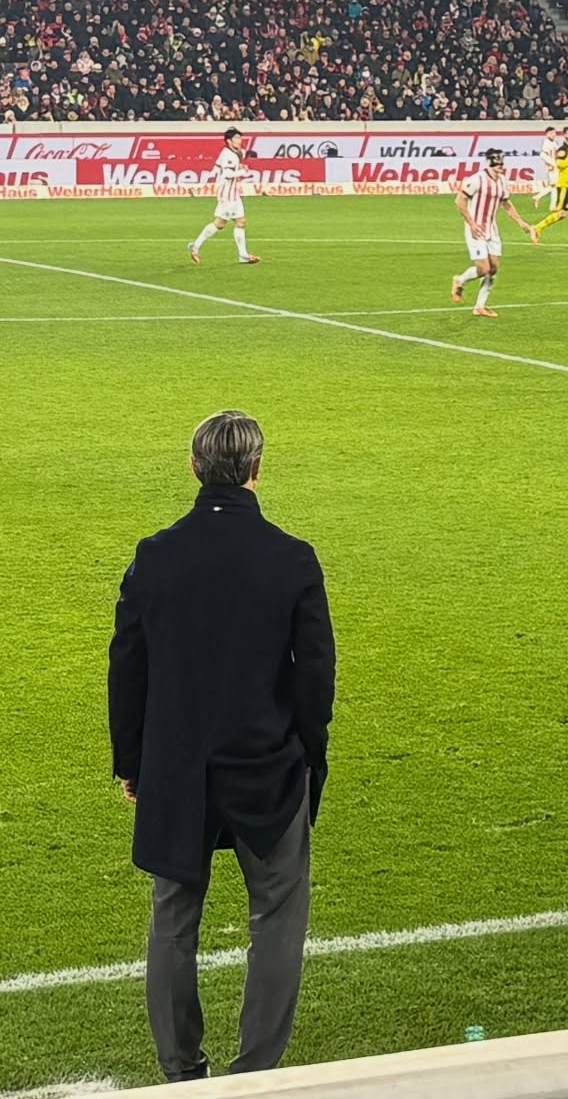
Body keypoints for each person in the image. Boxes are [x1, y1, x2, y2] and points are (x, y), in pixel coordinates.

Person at [108, 411, 335, 1083]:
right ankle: (255, 1078)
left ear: (194, 466)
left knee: (174, 918)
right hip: (267, 766)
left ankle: (183, 1075)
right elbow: (315, 677)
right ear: (258, 470)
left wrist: (131, 759)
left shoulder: (156, 555)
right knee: (278, 914)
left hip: (174, 767)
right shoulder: (292, 559)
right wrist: (308, 757)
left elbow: (129, 664)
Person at [451, 148, 539, 317]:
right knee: (483, 268)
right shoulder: (477, 179)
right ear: (490, 163)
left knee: (494, 269)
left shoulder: (502, 181)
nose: (501, 166)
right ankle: (459, 280)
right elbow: (459, 200)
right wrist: (471, 222)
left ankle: (480, 306)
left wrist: (522, 223)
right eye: (498, 163)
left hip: (492, 230)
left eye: (502, 163)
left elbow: (506, 203)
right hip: (476, 229)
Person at [189, 127, 261, 265]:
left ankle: (243, 255)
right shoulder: (229, 155)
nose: (240, 141)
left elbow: (217, 167)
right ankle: (196, 246)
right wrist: (242, 172)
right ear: (229, 141)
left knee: (240, 222)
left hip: (233, 192)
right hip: (227, 194)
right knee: (220, 224)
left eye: (240, 138)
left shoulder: (231, 152)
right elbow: (227, 174)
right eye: (237, 138)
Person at [533, 124, 560, 211]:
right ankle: (550, 204)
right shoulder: (546, 142)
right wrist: (551, 164)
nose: (554, 135)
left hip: (556, 166)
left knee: (554, 186)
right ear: (547, 134)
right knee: (554, 185)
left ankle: (549, 204)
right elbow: (543, 155)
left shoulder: (554, 143)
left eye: (554, 133)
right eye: (551, 133)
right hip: (552, 167)